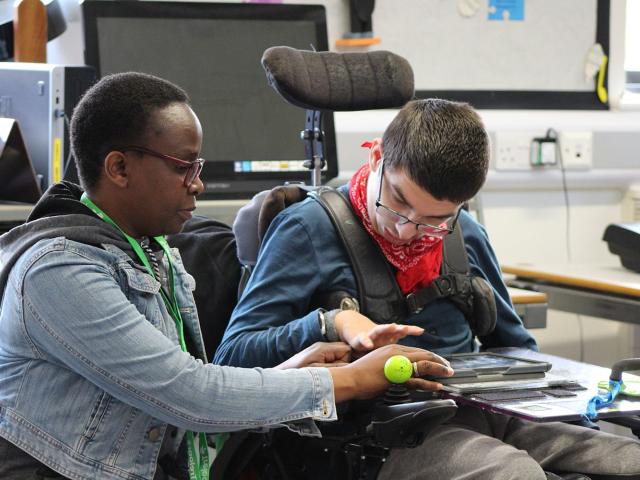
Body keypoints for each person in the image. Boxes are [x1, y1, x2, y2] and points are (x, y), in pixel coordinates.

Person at [0, 73, 453, 480]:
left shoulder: (147, 251)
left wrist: (286, 373)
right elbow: (188, 394)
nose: (197, 183)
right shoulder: (58, 270)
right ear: (119, 168)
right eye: (183, 167)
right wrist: (352, 379)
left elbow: (183, 394)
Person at [215, 99, 640, 479]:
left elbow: (516, 346)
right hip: (379, 433)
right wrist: (329, 323)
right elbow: (232, 358)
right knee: (513, 473)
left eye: (434, 219)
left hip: (481, 408)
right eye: (398, 201)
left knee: (622, 458)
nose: (406, 230)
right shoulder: (307, 229)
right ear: (378, 156)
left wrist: (570, 412)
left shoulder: (465, 234)